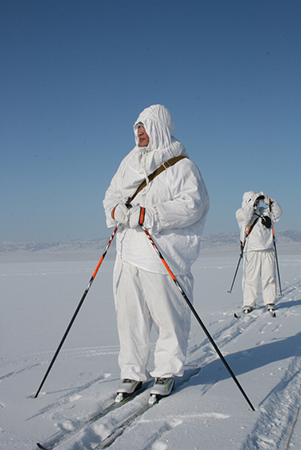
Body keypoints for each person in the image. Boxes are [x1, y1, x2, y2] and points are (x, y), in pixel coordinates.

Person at [103, 104, 209, 401]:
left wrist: (148, 214)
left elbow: (192, 205)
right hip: (126, 253)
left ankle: (166, 371)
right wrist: (117, 211)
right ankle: (132, 372)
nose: (139, 132)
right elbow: (110, 195)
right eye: (137, 127)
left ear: (159, 128)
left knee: (167, 315)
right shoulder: (128, 163)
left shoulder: (183, 167)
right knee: (129, 316)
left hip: (161, 254)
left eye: (145, 126)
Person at [236, 191, 282, 314]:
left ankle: (269, 301)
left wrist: (270, 202)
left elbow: (278, 214)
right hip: (251, 250)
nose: (256, 202)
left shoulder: (265, 211)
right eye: (252, 200)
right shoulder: (241, 213)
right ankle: (248, 303)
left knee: (269, 277)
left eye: (256, 200)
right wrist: (251, 206)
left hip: (268, 249)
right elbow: (246, 219)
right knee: (250, 278)